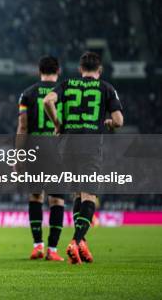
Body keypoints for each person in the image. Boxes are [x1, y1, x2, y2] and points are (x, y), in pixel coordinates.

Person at [43, 51, 123, 264]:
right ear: (100, 70)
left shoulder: (68, 84)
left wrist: (57, 124)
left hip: (67, 146)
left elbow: (47, 101)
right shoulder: (106, 88)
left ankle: (82, 244)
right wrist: (109, 123)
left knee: (78, 194)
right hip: (90, 147)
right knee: (90, 197)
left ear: (80, 69)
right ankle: (76, 240)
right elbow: (119, 120)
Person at [16, 56, 65, 261]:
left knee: (35, 196)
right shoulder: (65, 92)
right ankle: (52, 250)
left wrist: (18, 155)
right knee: (57, 199)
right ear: (58, 71)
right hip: (58, 149)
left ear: (39, 71)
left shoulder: (27, 94)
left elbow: (23, 127)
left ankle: (37, 246)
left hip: (34, 148)